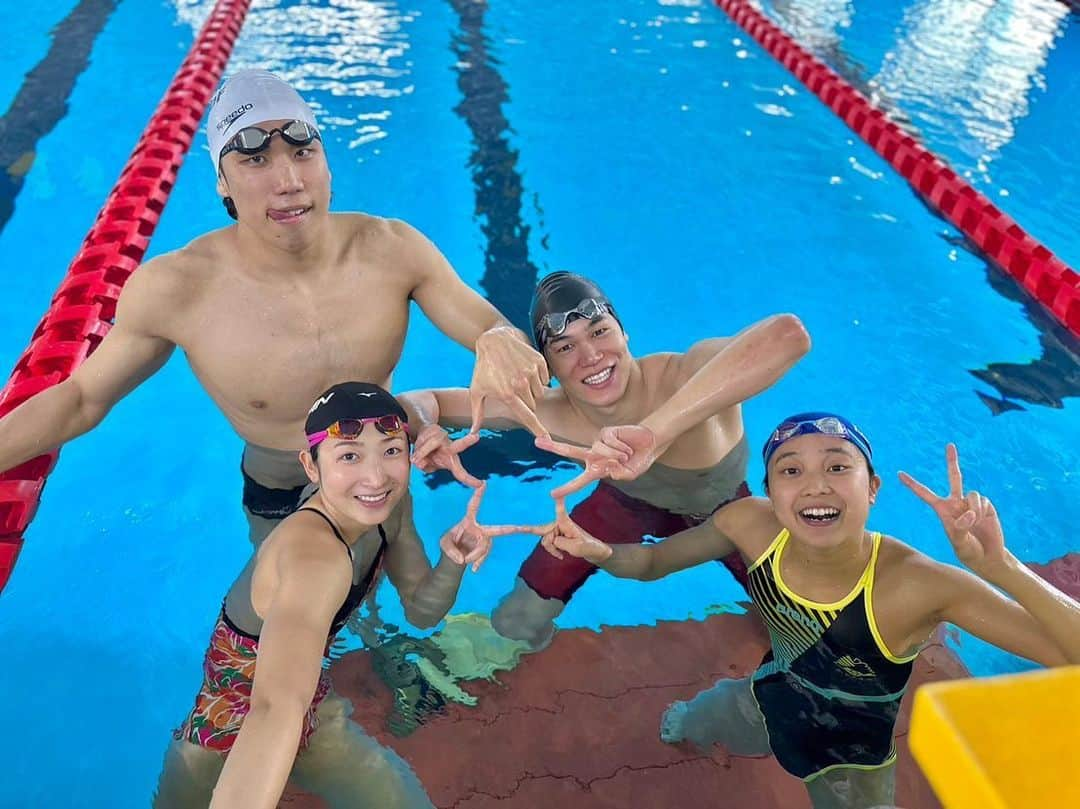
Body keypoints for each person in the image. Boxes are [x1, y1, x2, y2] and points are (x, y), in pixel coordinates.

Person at [0, 69, 548, 552]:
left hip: (378, 469)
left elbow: (490, 327)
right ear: (223, 182)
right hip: (278, 479)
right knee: (281, 594)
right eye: (256, 159)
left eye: (303, 153)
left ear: (327, 163)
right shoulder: (179, 287)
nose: (289, 182)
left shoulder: (392, 249)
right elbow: (79, 400)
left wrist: (498, 337)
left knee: (376, 593)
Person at [532, 412, 1080, 809]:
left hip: (852, 752)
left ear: (873, 490)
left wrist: (1001, 566)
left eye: (838, 467)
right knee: (694, 721)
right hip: (769, 690)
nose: (815, 483)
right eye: (790, 471)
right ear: (769, 491)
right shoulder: (749, 523)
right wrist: (598, 552)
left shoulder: (915, 585)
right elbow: (651, 565)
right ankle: (695, 726)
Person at [155, 383, 527, 809]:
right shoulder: (314, 557)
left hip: (312, 702)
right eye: (349, 456)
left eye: (390, 451)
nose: (375, 477)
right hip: (221, 730)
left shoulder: (393, 504)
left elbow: (422, 612)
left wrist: (452, 562)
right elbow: (275, 709)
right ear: (311, 467)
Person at [400, 270, 811, 649]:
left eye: (599, 332)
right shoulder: (547, 410)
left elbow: (788, 335)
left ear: (624, 333)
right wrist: (426, 428)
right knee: (515, 621)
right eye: (565, 347)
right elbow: (416, 402)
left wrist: (656, 432)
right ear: (548, 367)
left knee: (808, 624)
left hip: (728, 507)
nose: (590, 355)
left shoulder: (687, 375)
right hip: (626, 504)